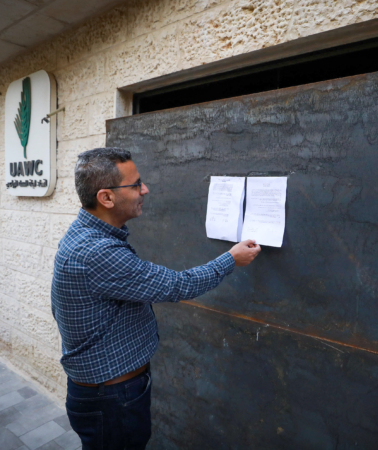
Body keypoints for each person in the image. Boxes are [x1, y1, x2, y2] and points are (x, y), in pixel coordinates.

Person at [51, 148, 261, 450]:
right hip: (112, 398)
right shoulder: (97, 252)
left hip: (106, 392)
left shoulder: (84, 232)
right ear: (106, 198)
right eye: (136, 184)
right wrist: (231, 258)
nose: (145, 189)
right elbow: (177, 285)